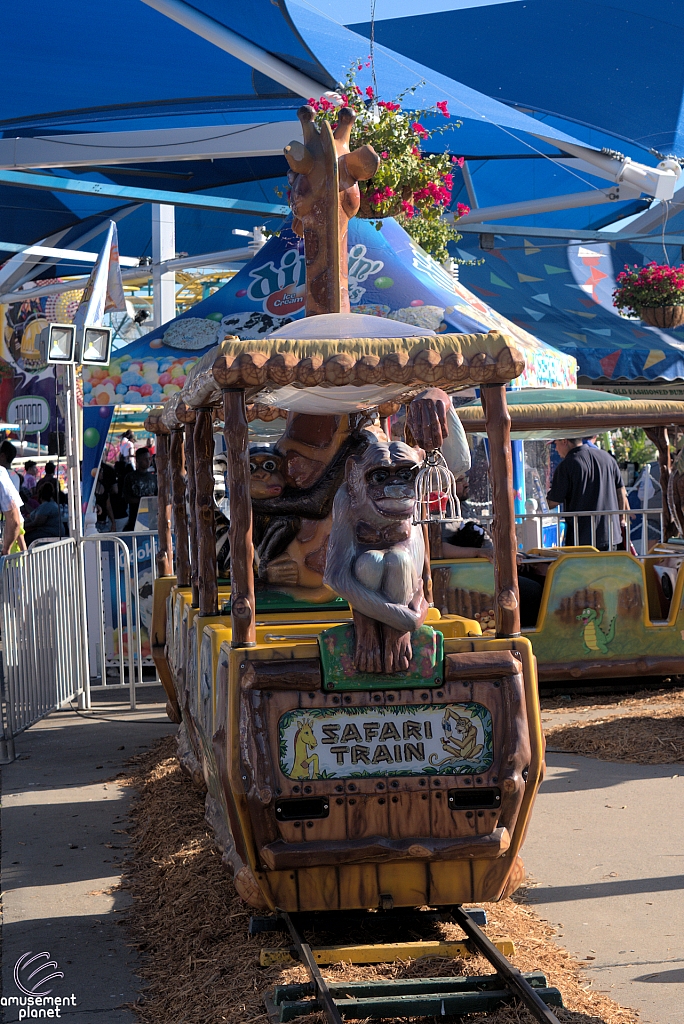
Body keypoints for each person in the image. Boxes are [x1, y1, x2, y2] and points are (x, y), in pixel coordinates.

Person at [547, 437, 628, 550]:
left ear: (564, 441)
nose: (555, 449)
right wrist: (621, 519)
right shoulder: (607, 458)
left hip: (582, 538)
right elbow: (621, 492)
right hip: (611, 535)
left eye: (556, 444)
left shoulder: (566, 465)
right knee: (608, 568)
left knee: (582, 568)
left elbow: (553, 501)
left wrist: (539, 503)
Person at [122, 447, 157, 531]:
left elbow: (157, 496)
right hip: (135, 519)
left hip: (152, 519)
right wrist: (143, 499)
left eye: (149, 459)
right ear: (138, 460)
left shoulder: (153, 478)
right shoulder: (130, 477)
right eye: (145, 459)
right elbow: (127, 498)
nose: (148, 461)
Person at [0, 440, 25, 554]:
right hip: (13, 515)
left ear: (3, 456)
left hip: (7, 518)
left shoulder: (4, 474)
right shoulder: (15, 475)